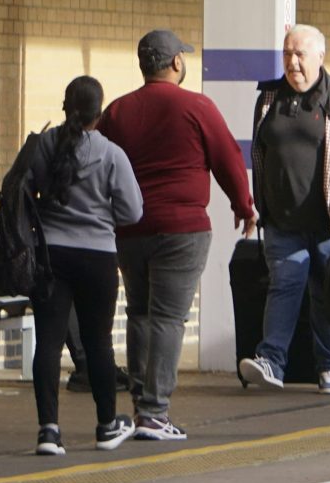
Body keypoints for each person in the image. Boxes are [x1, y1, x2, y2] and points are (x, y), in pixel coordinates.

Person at [99, 29, 255, 440]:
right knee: (168, 319)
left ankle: (139, 406)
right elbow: (227, 158)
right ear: (176, 63)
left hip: (130, 230)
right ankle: (154, 412)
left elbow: (98, 163)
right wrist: (244, 206)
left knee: (140, 313)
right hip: (182, 229)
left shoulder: (116, 112)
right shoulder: (197, 106)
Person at [238, 23, 330, 397]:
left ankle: (329, 368)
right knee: (283, 286)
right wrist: (256, 205)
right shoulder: (269, 98)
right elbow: (260, 152)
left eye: (300, 54)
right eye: (287, 53)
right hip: (283, 222)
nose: (293, 62)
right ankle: (271, 360)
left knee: (325, 294)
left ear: (320, 57)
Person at [10, 77, 144, 452]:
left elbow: (24, 192)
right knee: (98, 341)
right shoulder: (112, 154)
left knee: (49, 342)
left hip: (50, 257)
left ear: (65, 105)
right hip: (98, 257)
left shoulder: (42, 147)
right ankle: (105, 426)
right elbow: (133, 211)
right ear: (99, 113)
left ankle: (49, 431)